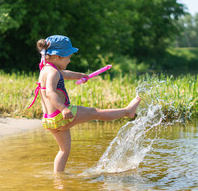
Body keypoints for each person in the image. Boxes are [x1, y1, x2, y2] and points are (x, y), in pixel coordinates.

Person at [28, 35, 141, 174]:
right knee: (96, 113)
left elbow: (64, 74)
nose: (69, 60)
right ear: (58, 57)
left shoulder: (46, 69)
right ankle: (127, 111)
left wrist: (79, 75)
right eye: (68, 57)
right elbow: (50, 93)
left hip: (49, 120)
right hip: (61, 115)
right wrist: (63, 109)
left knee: (64, 150)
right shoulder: (53, 73)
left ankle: (59, 177)